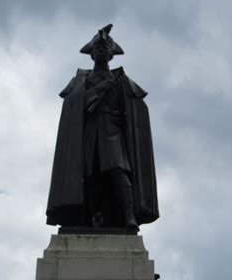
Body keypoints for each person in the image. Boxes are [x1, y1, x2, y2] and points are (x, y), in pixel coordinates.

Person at [46, 24, 159, 233]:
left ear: (111, 54)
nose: (101, 52)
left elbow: (135, 108)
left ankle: (129, 217)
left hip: (113, 133)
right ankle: (92, 215)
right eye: (97, 49)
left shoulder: (121, 80)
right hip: (88, 133)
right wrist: (96, 92)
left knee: (118, 172)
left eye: (105, 49)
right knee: (89, 175)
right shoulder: (81, 81)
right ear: (91, 54)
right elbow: (74, 105)